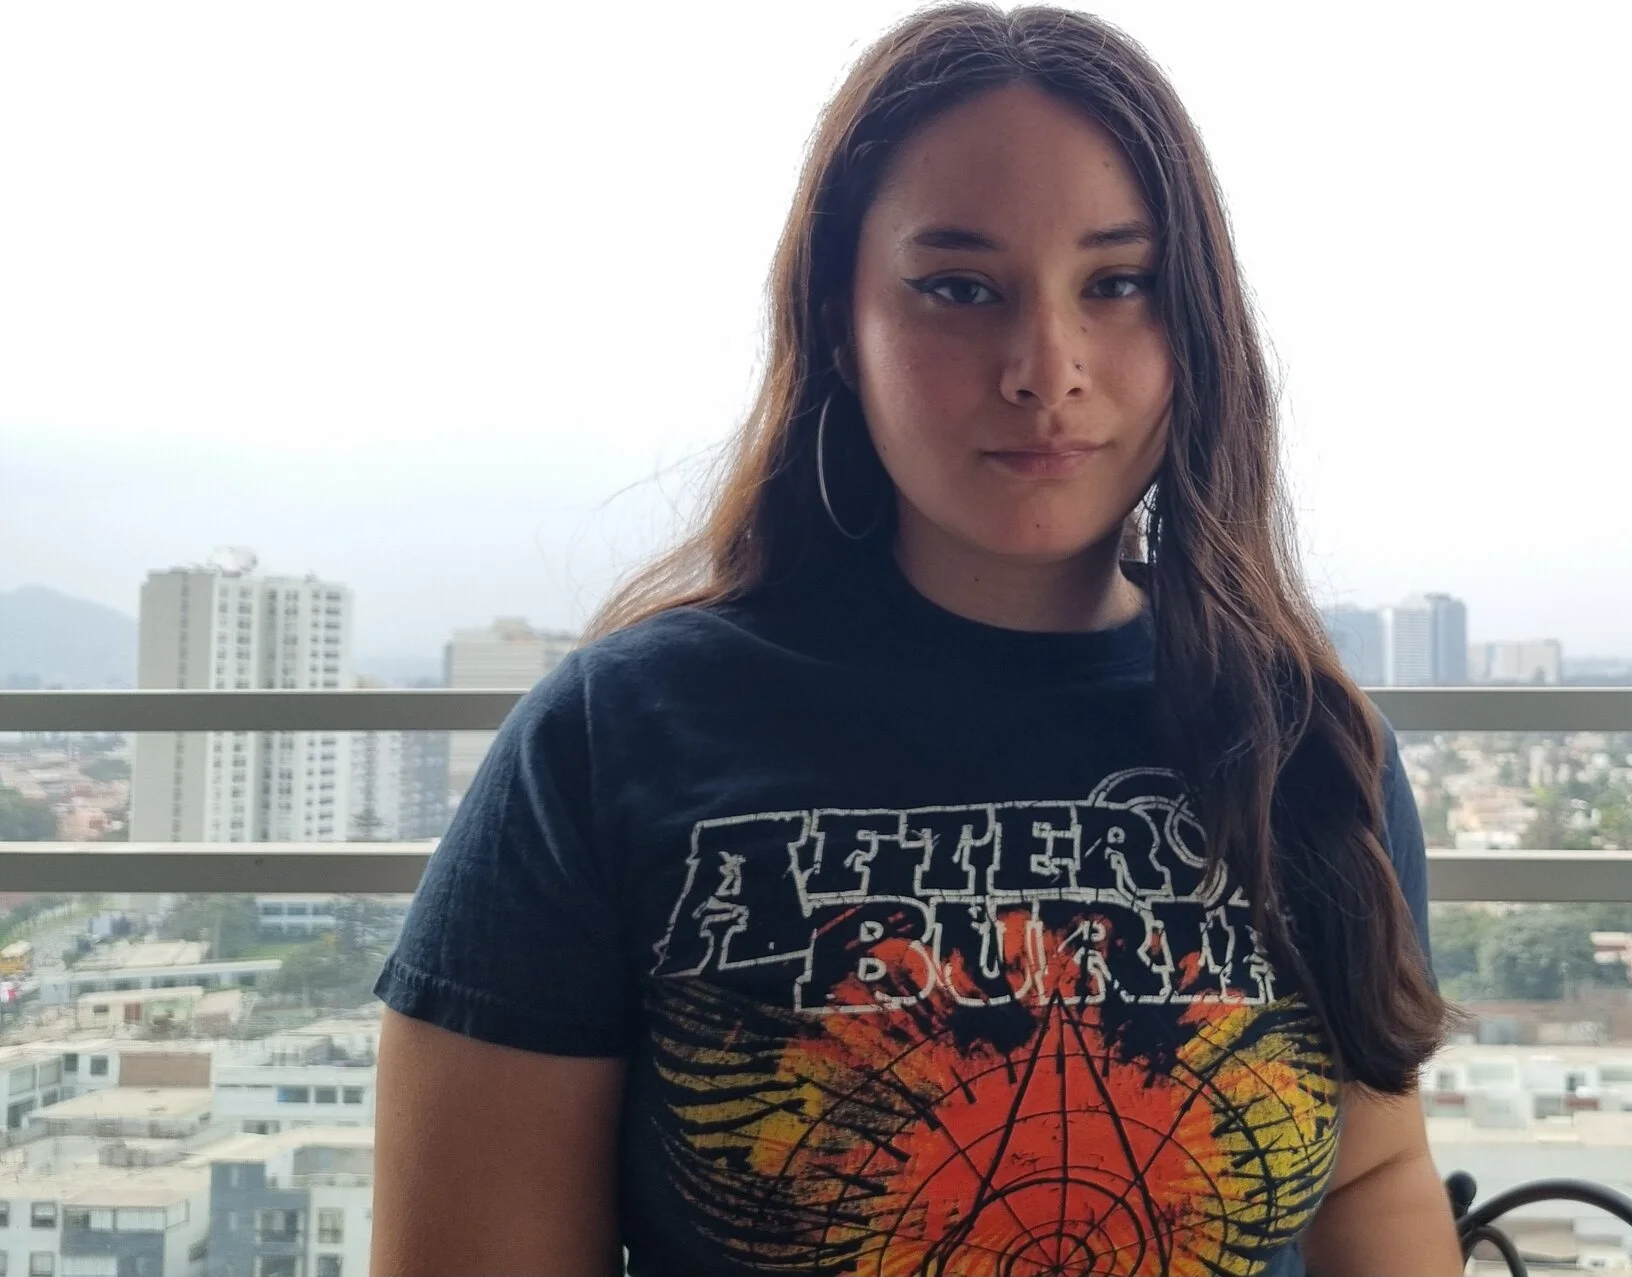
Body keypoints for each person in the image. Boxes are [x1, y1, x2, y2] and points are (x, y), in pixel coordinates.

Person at [369, 6, 1461, 1274]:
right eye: (958, 287)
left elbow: (1371, 1169)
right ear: (840, 320)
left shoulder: (1300, 739)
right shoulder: (608, 742)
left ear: (1195, 327)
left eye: (1118, 283)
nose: (1045, 366)